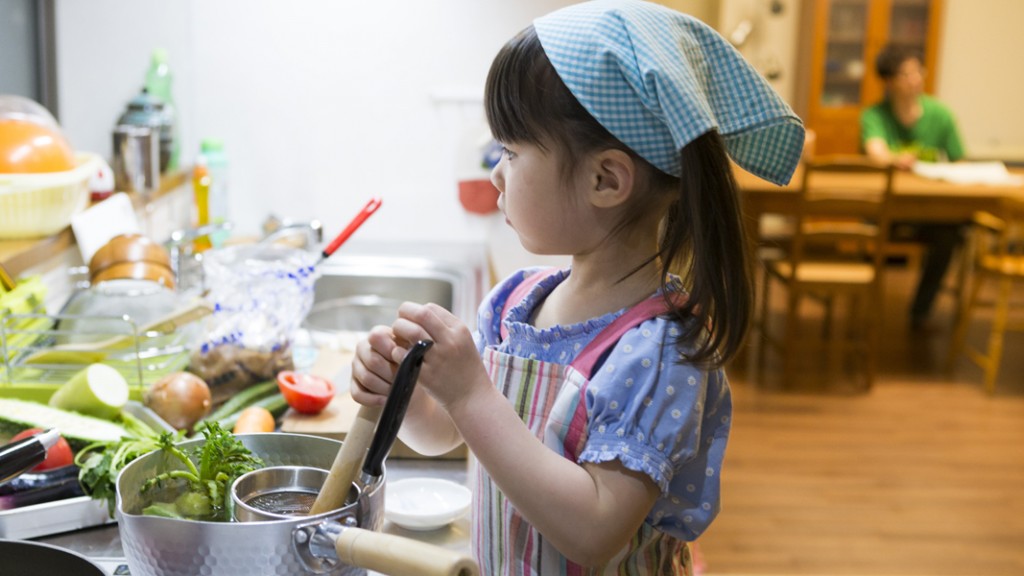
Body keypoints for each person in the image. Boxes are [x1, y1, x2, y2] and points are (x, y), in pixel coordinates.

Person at [352, 1, 804, 573]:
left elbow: (594, 531)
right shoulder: (516, 302)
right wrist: (409, 397)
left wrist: (469, 392)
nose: (496, 173)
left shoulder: (660, 353)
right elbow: (447, 433)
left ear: (605, 179)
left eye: (511, 153)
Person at [861, 44, 966, 331]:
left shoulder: (940, 114)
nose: (915, 79)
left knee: (950, 232)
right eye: (906, 74)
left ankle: (921, 310)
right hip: (886, 207)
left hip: (928, 208)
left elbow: (959, 161)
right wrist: (896, 158)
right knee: (869, 228)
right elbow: (876, 152)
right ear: (889, 81)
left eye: (918, 71)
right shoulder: (875, 115)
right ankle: (865, 312)